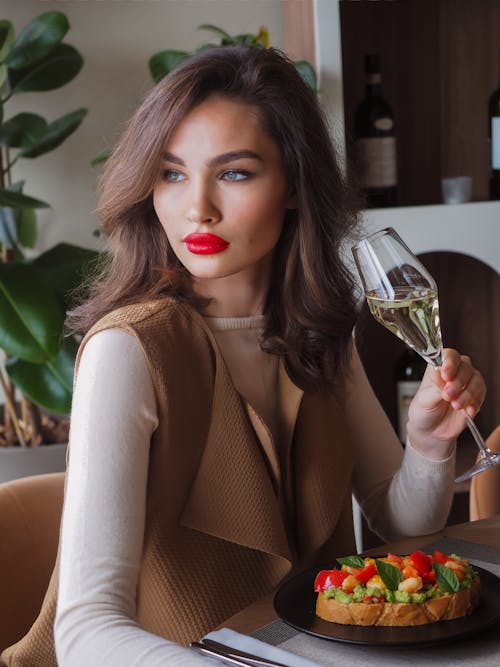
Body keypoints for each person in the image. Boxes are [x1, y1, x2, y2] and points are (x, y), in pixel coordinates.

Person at [1, 45, 486, 667]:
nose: (196, 206)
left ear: (293, 186)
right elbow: (85, 633)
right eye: (172, 173)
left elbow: (402, 525)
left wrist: (428, 445)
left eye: (234, 173)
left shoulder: (317, 331)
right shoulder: (129, 350)